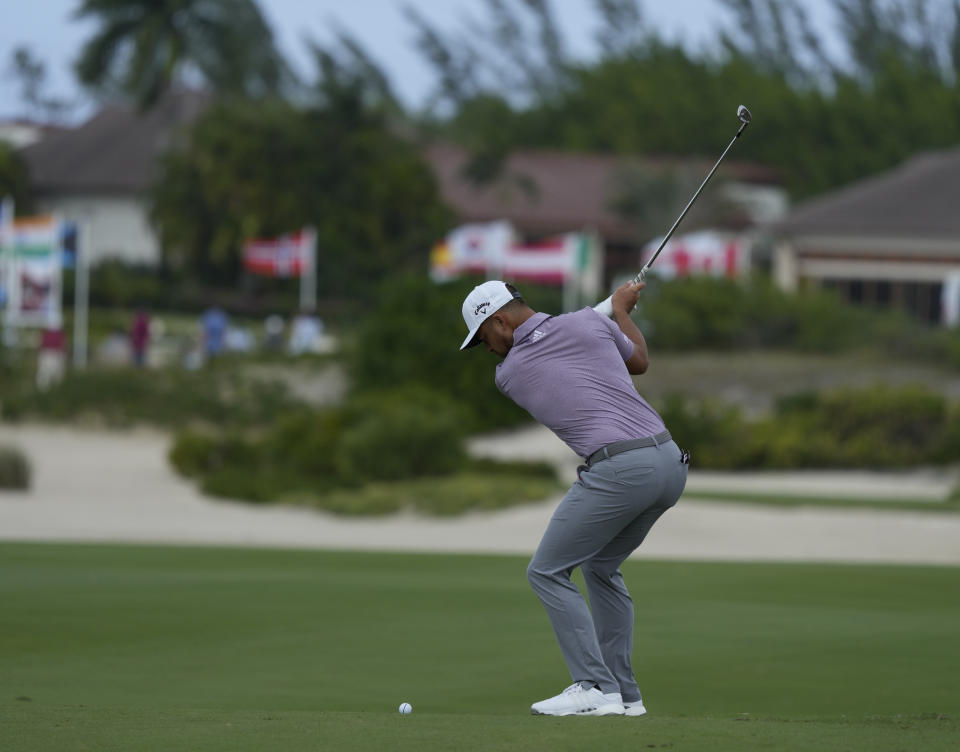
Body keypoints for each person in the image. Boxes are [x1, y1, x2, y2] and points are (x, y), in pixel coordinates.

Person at [459, 279, 688, 717]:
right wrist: (619, 312)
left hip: (622, 469)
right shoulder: (588, 324)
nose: (486, 351)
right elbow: (639, 361)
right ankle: (626, 696)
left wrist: (611, 311)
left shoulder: (509, 373)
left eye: (483, 338)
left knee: (546, 572)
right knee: (600, 568)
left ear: (500, 321)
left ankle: (594, 684)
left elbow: (550, 343)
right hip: (669, 463)